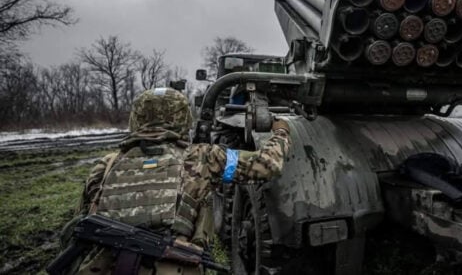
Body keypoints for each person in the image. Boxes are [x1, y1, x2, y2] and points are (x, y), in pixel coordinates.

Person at [60, 87, 291, 274]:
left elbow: (77, 225)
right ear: (183, 119)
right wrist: (280, 132)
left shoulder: (106, 165)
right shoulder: (204, 159)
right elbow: (268, 165)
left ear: (136, 119)